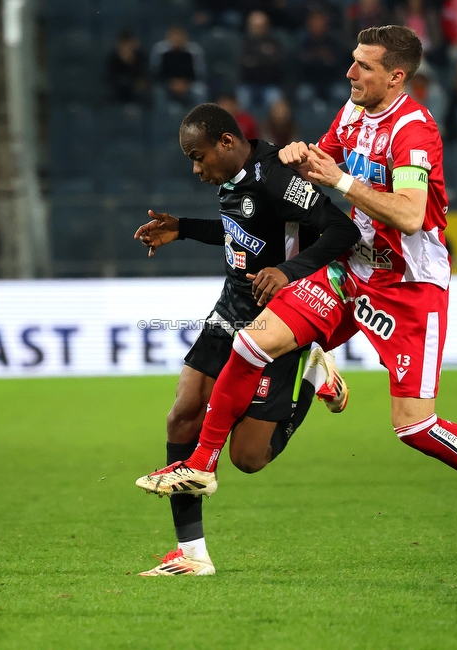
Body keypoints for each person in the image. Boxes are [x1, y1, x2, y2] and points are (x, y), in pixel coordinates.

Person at [137, 26, 457, 561]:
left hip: (407, 288)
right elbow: (317, 167)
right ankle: (202, 464)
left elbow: (411, 214)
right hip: (348, 273)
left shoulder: (415, 131)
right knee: (252, 342)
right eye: (352, 61)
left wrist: (342, 182)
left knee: (414, 426)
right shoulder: (352, 113)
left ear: (396, 77)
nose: (349, 73)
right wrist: (298, 155)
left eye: (364, 66)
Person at [133, 103, 361, 576]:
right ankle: (192, 555)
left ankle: (312, 375)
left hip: (276, 324)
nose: (197, 169)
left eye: (199, 157)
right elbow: (244, 233)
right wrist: (185, 229)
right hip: (230, 309)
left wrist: (288, 272)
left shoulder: (277, 175)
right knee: (181, 418)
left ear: (227, 142)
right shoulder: (232, 176)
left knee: (248, 457)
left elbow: (343, 229)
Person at [237, 10, 286, 114]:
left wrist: (255, 61)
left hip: (269, 85)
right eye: (254, 26)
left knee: (277, 102)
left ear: (266, 26)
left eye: (260, 26)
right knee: (241, 100)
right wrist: (263, 59)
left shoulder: (274, 42)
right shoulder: (242, 43)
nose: (257, 29)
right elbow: (242, 65)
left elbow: (276, 63)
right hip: (248, 85)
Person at [149, 24, 207, 107]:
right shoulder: (159, 50)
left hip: (189, 85)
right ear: (168, 37)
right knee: (158, 92)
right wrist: (171, 83)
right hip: (166, 85)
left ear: (186, 37)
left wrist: (186, 84)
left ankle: (199, 118)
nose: (177, 38)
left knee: (200, 91)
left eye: (180, 35)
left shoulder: (195, 51)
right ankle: (160, 118)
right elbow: (154, 72)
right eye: (174, 35)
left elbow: (200, 73)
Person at [106, 30, 149, 105]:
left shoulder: (141, 57)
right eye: (125, 45)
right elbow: (110, 79)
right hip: (118, 94)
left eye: (130, 45)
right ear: (119, 45)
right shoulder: (113, 59)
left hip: (137, 94)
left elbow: (144, 78)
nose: (127, 48)